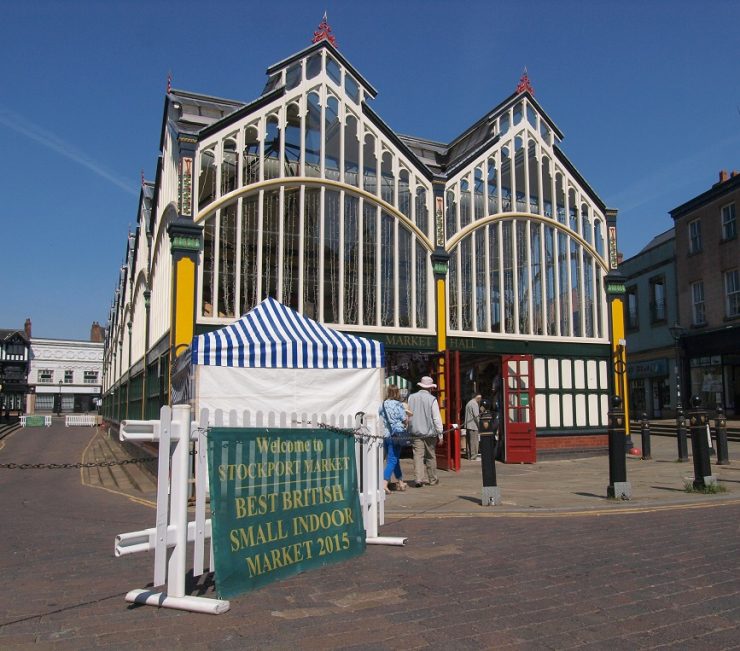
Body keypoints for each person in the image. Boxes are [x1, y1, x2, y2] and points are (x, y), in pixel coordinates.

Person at [407, 375, 443, 487]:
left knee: (418, 455)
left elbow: (407, 415)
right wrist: (440, 434)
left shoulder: (411, 397)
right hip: (429, 432)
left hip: (415, 431)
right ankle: (432, 479)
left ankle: (418, 479)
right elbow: (436, 418)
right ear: (430, 388)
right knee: (430, 456)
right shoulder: (432, 399)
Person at [378, 384, 409, 494]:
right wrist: (406, 421)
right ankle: (384, 483)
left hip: (386, 435)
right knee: (392, 460)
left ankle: (400, 482)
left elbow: (380, 416)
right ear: (397, 393)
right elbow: (404, 419)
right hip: (397, 434)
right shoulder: (399, 405)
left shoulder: (383, 404)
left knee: (394, 459)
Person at [464, 393, 482, 460]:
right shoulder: (474, 404)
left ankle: (469, 455)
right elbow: (476, 416)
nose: (480, 400)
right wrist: (479, 425)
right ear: (477, 397)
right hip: (473, 425)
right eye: (480, 398)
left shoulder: (469, 403)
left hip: (468, 425)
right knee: (474, 441)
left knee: (469, 441)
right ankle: (474, 456)